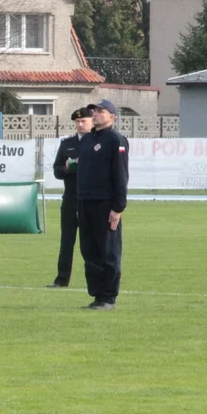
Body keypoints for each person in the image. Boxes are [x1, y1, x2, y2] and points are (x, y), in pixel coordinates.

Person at [76, 99, 129, 310]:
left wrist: (118, 207)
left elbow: (121, 175)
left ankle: (108, 297)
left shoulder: (116, 140)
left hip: (105, 204)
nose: (96, 114)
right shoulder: (87, 140)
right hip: (85, 202)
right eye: (94, 111)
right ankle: (97, 294)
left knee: (108, 250)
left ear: (112, 116)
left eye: (101, 111)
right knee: (89, 250)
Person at [47, 107, 94, 288]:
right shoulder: (67, 144)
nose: (81, 125)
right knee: (67, 241)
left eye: (84, 121)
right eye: (78, 122)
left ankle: (94, 280)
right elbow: (57, 171)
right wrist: (67, 167)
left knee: (90, 242)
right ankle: (61, 279)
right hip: (71, 199)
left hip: (90, 199)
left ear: (92, 121)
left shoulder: (98, 142)